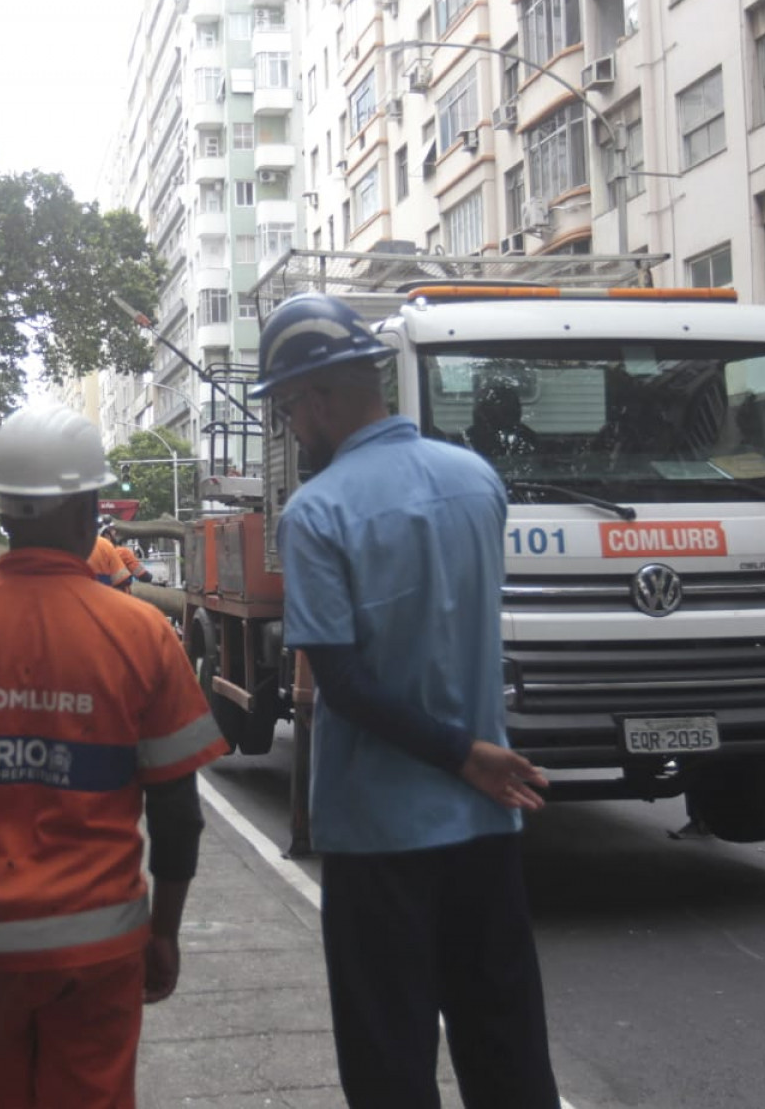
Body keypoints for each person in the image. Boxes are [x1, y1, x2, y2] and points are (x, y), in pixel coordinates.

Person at [0, 404, 227, 1108]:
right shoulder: (144, 634)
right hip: (101, 952)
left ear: (1, 514)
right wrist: (165, 932)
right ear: (91, 508)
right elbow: (178, 811)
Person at [253, 293, 559, 1109]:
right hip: (485, 827)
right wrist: (476, 761)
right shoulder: (478, 481)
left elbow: (344, 686)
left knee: (390, 1061)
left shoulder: (314, 513)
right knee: (508, 1047)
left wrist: (464, 753)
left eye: (289, 408)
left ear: (318, 396)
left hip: (378, 838)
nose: (291, 427)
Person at [100, 518, 154, 585]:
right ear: (107, 535)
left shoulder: (90, 554)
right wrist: (149, 577)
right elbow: (144, 576)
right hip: (117, 592)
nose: (115, 533)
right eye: (113, 531)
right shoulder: (122, 552)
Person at [88, 517, 133, 589]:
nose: (114, 533)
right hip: (105, 593)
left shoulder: (70, 545)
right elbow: (122, 580)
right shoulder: (106, 545)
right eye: (112, 530)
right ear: (106, 534)